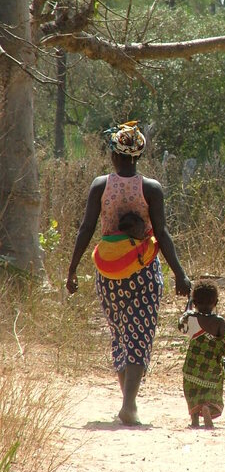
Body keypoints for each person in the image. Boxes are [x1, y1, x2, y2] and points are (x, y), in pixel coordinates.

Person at [66, 120, 191, 425]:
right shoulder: (151, 188)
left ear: (113, 154)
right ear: (138, 155)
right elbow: (161, 233)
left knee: (120, 334)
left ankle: (127, 401)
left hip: (108, 273)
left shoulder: (100, 185)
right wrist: (179, 274)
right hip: (143, 271)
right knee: (140, 334)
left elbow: (86, 229)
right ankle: (129, 404)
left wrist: (71, 270)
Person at [178, 280, 225, 429]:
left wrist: (188, 308)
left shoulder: (190, 318)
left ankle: (194, 419)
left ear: (194, 302)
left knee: (192, 392)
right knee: (212, 393)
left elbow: (181, 326)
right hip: (211, 369)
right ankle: (208, 408)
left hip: (191, 367)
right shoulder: (219, 322)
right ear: (216, 302)